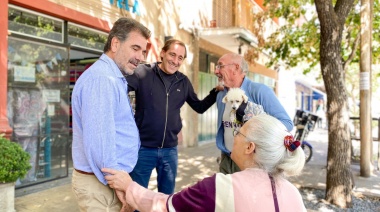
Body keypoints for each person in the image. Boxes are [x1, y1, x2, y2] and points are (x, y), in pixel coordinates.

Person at [102, 114, 307, 212]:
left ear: (249, 147)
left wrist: (129, 187)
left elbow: (165, 206)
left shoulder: (222, 187)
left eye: (238, 132)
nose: (233, 136)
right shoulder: (293, 194)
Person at [71, 17, 151, 211]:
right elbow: (101, 144)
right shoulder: (102, 79)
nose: (140, 57)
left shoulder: (112, 77)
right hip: (103, 186)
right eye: (135, 48)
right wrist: (120, 188)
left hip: (106, 182)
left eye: (143, 51)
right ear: (115, 43)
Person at [125, 38, 223, 195]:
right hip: (143, 148)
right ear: (163, 53)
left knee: (167, 198)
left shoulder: (183, 82)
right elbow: (118, 92)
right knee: (137, 196)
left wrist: (216, 92)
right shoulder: (143, 73)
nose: (175, 61)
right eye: (172, 54)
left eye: (180, 58)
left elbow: (199, 107)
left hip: (170, 151)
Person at [214, 53, 294, 174]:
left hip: (252, 163)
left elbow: (286, 123)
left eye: (220, 66)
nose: (216, 71)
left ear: (236, 68)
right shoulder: (221, 95)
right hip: (227, 159)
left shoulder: (260, 91)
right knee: (226, 193)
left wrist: (256, 126)